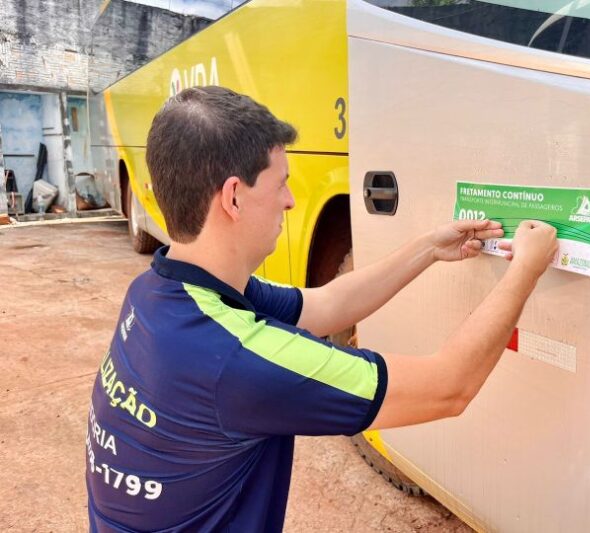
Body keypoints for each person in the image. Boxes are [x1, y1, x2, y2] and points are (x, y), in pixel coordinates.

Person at [86, 86, 557, 532]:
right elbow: (449, 386)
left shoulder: (160, 290)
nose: (290, 201)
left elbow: (326, 304)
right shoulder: (235, 361)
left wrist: (428, 249)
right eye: (281, 185)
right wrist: (527, 269)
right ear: (233, 197)